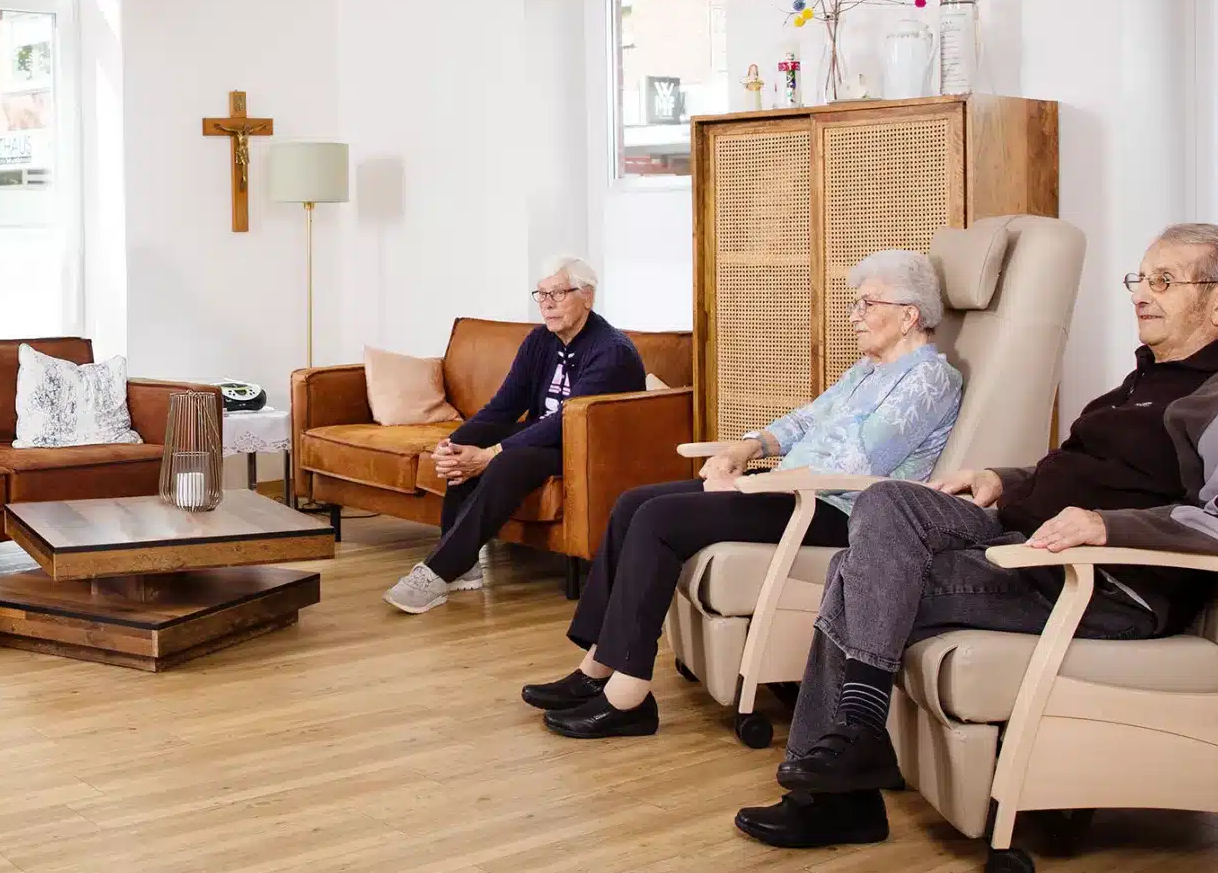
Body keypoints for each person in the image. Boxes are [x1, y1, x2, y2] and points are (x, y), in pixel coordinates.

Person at [735, 223, 1218, 851]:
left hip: (1102, 583)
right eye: (1140, 279)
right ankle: (855, 755)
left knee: (855, 572)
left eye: (1164, 281)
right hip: (1022, 541)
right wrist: (1001, 479)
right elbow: (1080, 471)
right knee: (887, 501)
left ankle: (839, 792)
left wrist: (1105, 525)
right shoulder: (1139, 383)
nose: (1141, 294)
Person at [525, 249, 963, 739]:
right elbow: (804, 422)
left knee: (657, 521)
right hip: (790, 493)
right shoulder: (868, 371)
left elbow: (856, 466)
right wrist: (745, 449)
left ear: (909, 316)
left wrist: (751, 485)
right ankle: (596, 669)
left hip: (836, 510)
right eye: (854, 303)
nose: (854, 315)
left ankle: (628, 697)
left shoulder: (931, 380)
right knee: (632, 504)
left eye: (867, 304)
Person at [384, 257, 652, 614]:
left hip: (588, 447)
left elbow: (567, 421)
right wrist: (455, 443)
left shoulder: (611, 351)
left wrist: (494, 452)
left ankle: (437, 571)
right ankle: (464, 566)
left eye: (558, 293)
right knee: (466, 451)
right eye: (541, 294)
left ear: (587, 296)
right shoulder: (539, 341)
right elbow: (505, 405)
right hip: (548, 436)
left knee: (507, 461)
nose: (547, 303)